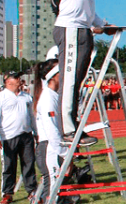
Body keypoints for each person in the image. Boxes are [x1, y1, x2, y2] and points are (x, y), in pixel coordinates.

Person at [54, 0, 122, 146]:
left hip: (82, 28)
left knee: (77, 80)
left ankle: (72, 126)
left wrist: (103, 24)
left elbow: (86, 6)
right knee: (70, 80)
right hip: (71, 28)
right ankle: (67, 129)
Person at [32, 59, 79, 203]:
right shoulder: (48, 98)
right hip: (50, 149)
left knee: (58, 192)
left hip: (54, 148)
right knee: (53, 193)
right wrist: (66, 154)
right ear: (53, 75)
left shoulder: (54, 95)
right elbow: (52, 131)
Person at [0, 72, 37, 204]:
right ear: (8, 82)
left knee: (28, 163)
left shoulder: (26, 96)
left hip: (26, 135)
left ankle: (32, 191)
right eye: (16, 78)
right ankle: (7, 193)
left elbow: (31, 116)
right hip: (8, 137)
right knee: (9, 166)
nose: (19, 80)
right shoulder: (0, 98)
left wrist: (36, 132)